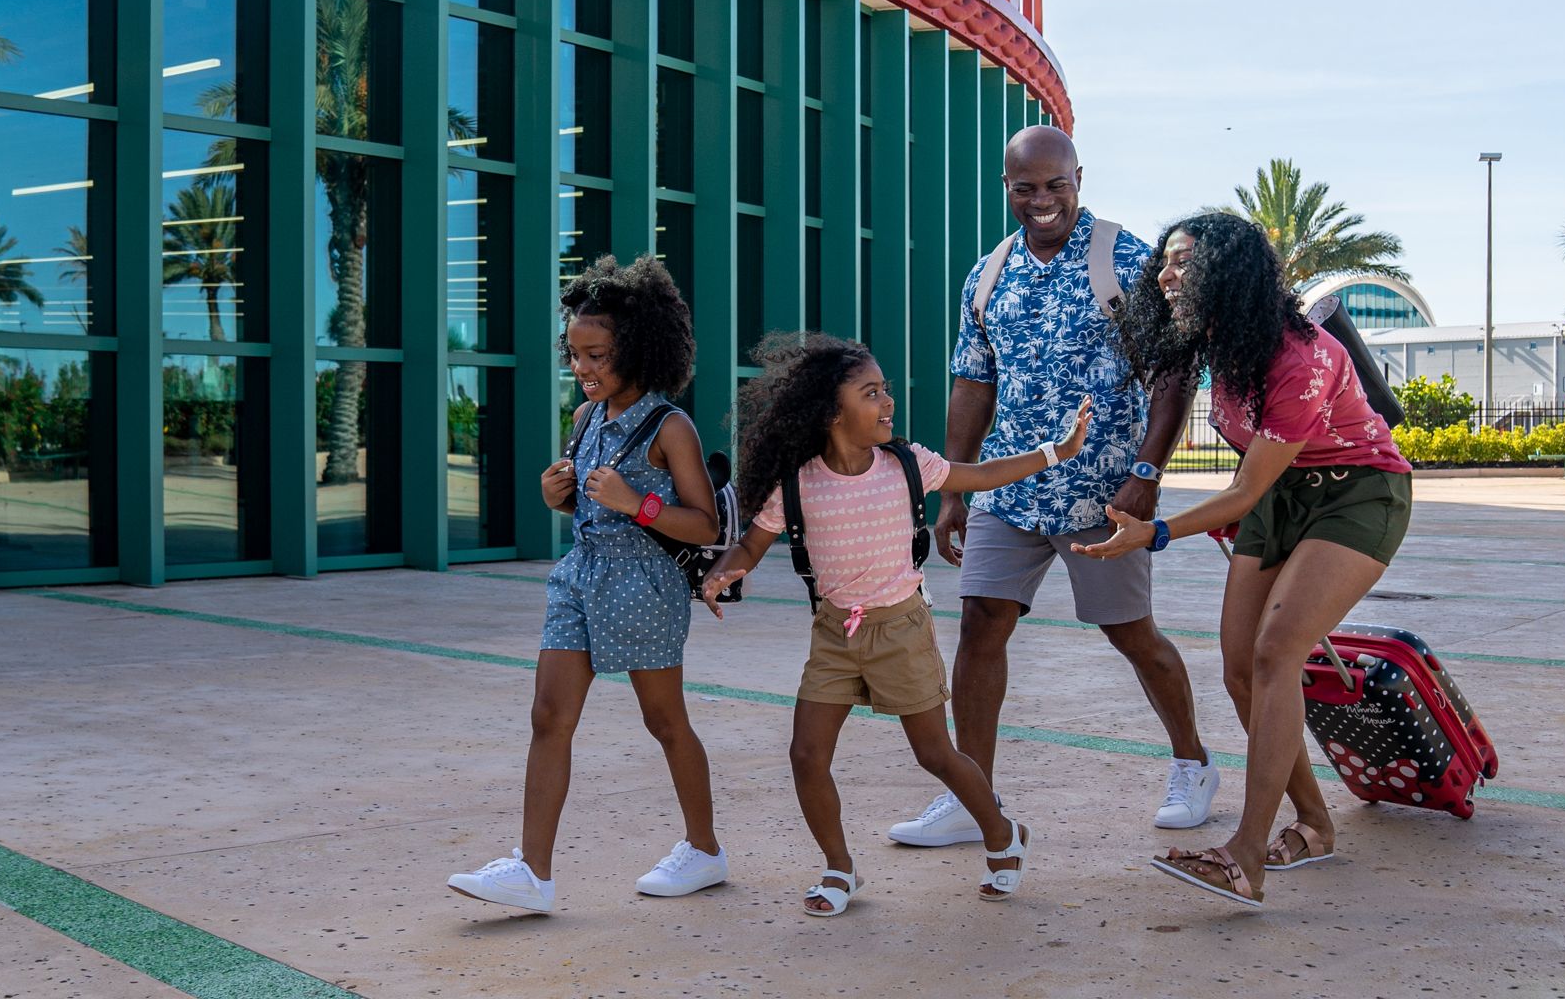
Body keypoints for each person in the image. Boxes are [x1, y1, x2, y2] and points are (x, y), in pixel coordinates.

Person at [1074, 212, 1415, 910]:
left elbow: (1241, 489)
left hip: (1358, 495)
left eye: (1182, 264)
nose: (1165, 276)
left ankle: (1246, 855)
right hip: (1282, 499)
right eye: (1165, 264)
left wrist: (1156, 532)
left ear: (1227, 275)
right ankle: (1315, 824)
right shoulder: (1215, 343)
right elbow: (1254, 480)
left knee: (1275, 654)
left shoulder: (1303, 356)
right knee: (1238, 670)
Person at [891, 125, 1215, 852]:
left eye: (1055, 185)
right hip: (1012, 485)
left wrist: (1146, 473)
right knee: (980, 623)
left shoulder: (1126, 260)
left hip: (1104, 492)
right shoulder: (988, 274)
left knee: (1129, 634)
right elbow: (972, 384)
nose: (1042, 201)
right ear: (1005, 187)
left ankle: (1193, 761)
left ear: (1079, 178)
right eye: (1025, 188)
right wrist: (951, 491)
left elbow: (1172, 375)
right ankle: (972, 794)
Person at [699, 333, 1093, 915]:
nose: (888, 403)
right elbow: (751, 547)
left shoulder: (909, 465)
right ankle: (839, 868)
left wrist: (1056, 450)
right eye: (872, 393)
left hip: (903, 631)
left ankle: (1003, 835)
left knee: (935, 754)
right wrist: (719, 574)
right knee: (806, 755)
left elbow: (980, 475)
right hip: (835, 635)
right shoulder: (797, 483)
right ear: (832, 412)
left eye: (886, 390)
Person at [446, 256, 730, 915]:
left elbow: (704, 523)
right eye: (574, 356)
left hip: (644, 584)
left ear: (636, 347)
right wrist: (561, 500)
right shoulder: (584, 420)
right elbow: (593, 505)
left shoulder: (670, 427)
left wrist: (638, 503)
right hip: (579, 575)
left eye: (596, 355)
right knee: (549, 716)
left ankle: (704, 849)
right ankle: (531, 874)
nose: (583, 369)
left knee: (664, 721)